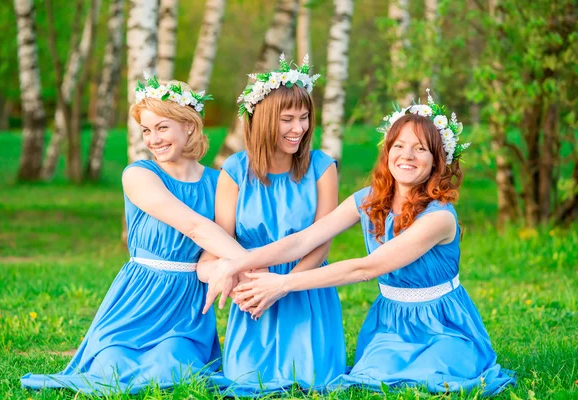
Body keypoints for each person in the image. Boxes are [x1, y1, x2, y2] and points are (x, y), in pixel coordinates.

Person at [211, 90, 515, 395]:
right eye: (399, 146)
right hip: (392, 320)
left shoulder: (439, 218)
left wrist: (282, 284)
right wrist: (236, 264)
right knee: (375, 379)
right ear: (387, 152)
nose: (407, 156)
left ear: (438, 160)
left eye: (420, 149)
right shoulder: (370, 199)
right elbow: (304, 239)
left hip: (443, 323)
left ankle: (453, 353)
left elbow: (365, 268)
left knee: (433, 378)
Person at [21, 76, 249, 394]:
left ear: (189, 126)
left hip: (184, 307)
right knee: (112, 367)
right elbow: (196, 228)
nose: (153, 139)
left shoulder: (219, 182)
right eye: (146, 130)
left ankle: (178, 351)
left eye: (162, 127)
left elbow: (217, 245)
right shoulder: (140, 175)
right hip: (136, 299)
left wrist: (237, 268)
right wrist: (254, 264)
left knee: (173, 368)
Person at [201, 54, 346, 396]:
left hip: (306, 285)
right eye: (287, 119)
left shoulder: (322, 168)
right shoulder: (234, 171)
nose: (299, 129)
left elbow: (321, 243)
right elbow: (223, 241)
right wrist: (252, 289)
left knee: (314, 380)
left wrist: (283, 284)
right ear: (264, 120)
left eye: (305, 118)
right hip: (253, 290)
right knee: (245, 381)